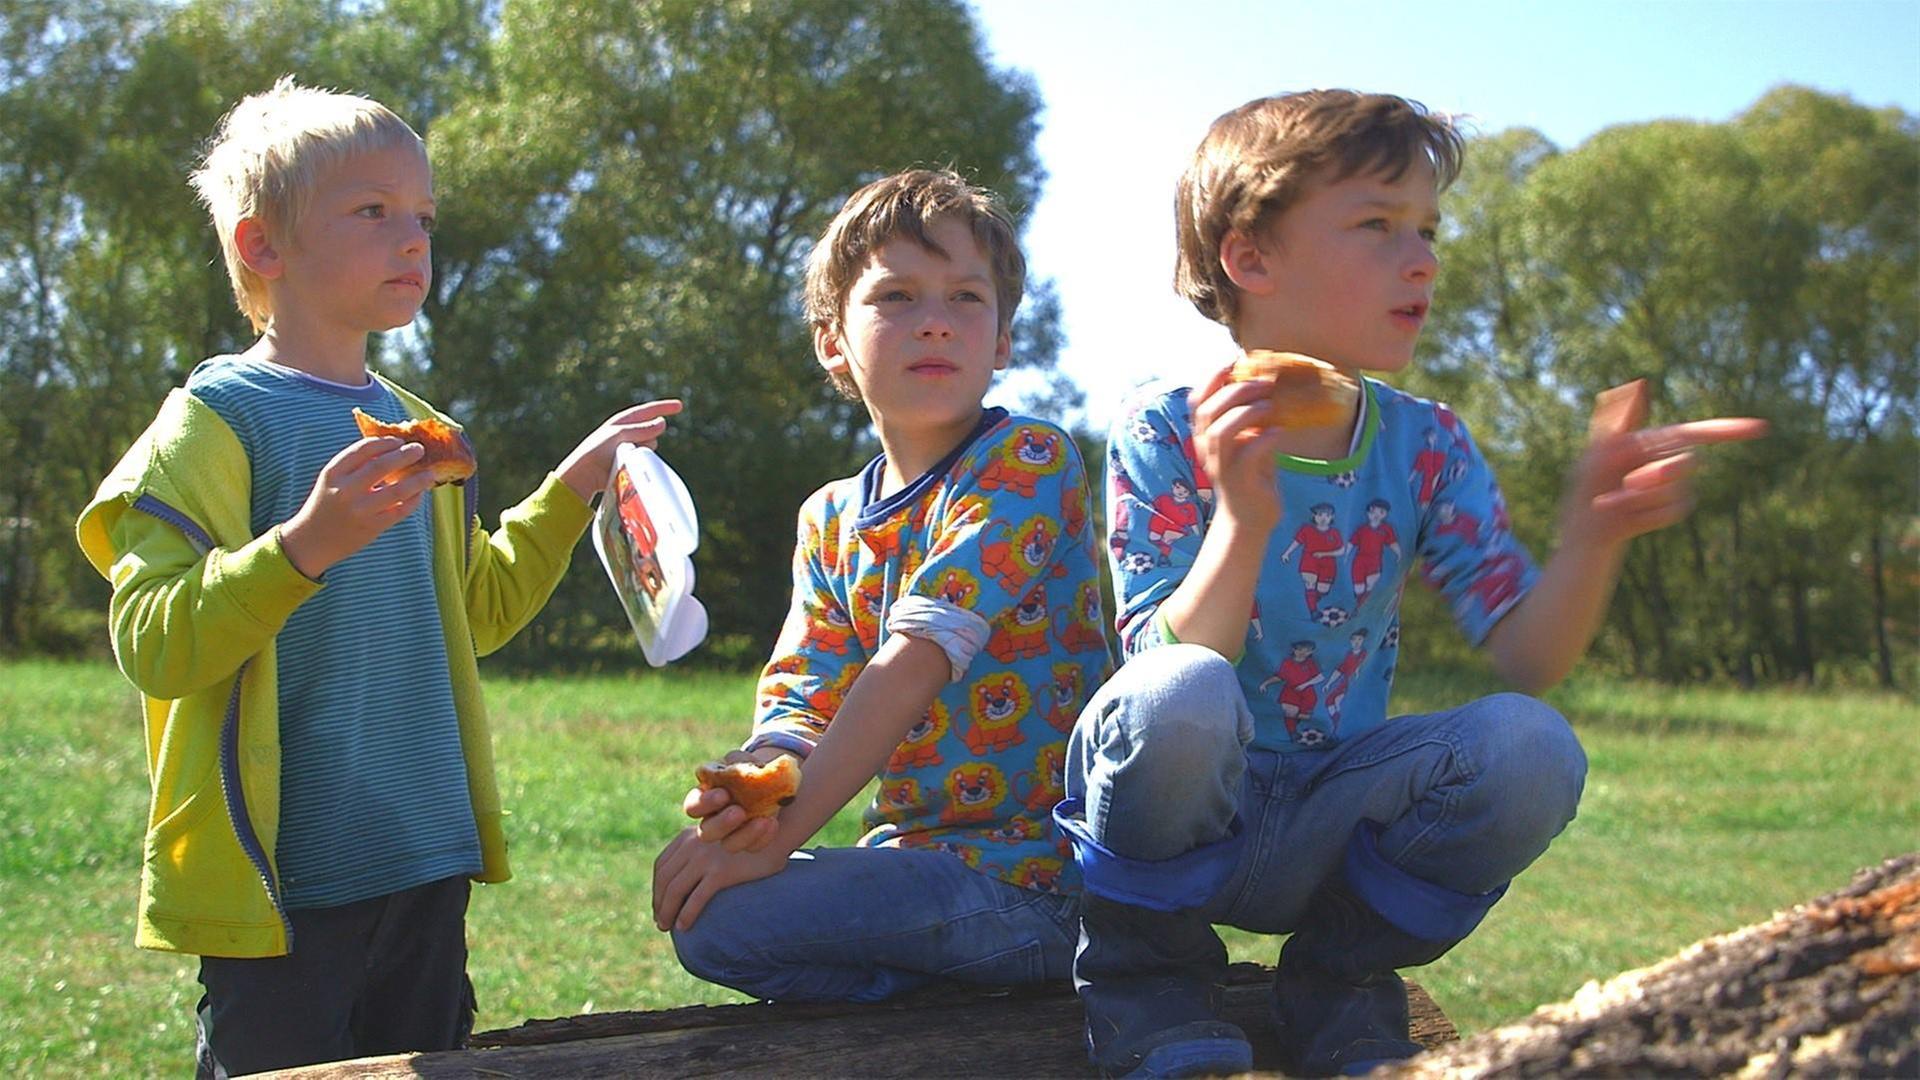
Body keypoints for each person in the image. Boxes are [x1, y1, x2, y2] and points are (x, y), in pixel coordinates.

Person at [1059, 89, 1767, 1077]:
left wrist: (1591, 535)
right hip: (1179, 811)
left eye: (1429, 229)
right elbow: (1166, 671)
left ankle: (1342, 978)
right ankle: (1144, 975)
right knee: (1178, 694)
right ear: (1251, 256)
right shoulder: (1167, 425)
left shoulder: (1425, 442)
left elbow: (1527, 656)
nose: (1425, 259)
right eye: (1378, 227)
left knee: (1532, 747)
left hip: (1329, 811)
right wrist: (1248, 516)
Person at [73, 77, 681, 1077]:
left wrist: (571, 488)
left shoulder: (420, 428)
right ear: (260, 246)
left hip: (425, 859)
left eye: (424, 218)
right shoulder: (213, 422)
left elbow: (476, 612)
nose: (414, 241)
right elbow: (153, 642)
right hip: (286, 885)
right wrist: (304, 543)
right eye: (373, 211)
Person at [652, 168, 1113, 1007]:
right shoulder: (830, 517)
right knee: (710, 920)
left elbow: (918, 657)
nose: (935, 322)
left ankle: (1021, 976)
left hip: (1047, 877)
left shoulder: (1028, 462)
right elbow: (804, 693)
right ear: (834, 341)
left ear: (1004, 342)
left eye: (966, 299)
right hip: (910, 868)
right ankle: (950, 1005)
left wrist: (782, 836)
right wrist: (752, 791)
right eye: (896, 296)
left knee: (730, 907)